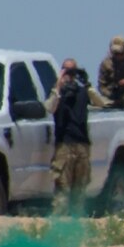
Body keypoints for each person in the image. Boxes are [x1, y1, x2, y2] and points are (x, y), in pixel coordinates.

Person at [44, 59, 94, 198]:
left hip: (82, 145)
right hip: (64, 146)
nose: (69, 75)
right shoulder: (57, 94)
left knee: (80, 190)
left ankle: (77, 218)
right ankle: (60, 218)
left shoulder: (83, 92)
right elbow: (49, 108)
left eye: (72, 72)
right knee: (62, 190)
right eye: (66, 71)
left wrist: (87, 85)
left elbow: (101, 103)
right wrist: (58, 86)